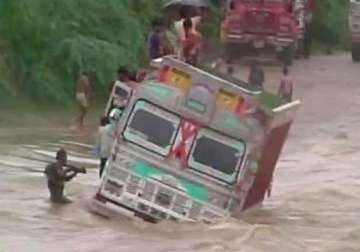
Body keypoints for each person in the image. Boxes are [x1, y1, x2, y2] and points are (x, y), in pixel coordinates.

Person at [95, 109, 122, 177]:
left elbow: (98, 142)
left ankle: (101, 180)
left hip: (104, 152)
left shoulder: (101, 129)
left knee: (102, 167)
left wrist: (97, 151)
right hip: (113, 153)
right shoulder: (120, 131)